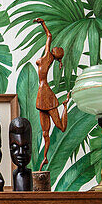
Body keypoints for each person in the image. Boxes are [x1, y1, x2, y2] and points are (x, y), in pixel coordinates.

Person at [35, 18, 69, 170]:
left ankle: (65, 106)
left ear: (54, 53)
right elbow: (48, 37)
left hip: (46, 95)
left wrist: (43, 23)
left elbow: (49, 36)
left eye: (55, 49)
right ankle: (45, 158)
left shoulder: (47, 58)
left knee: (61, 127)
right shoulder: (46, 59)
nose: (53, 48)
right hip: (41, 95)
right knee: (45, 133)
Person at [8, 116, 33, 191]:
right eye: (15, 148)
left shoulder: (28, 174)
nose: (21, 153)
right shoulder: (16, 174)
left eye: (25, 147)